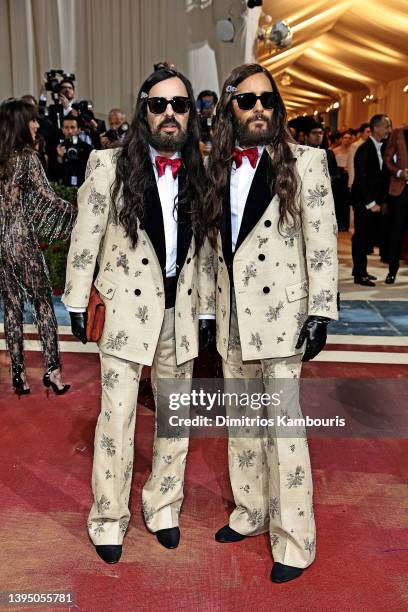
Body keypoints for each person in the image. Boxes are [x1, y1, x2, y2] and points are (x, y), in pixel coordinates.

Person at [62, 68, 216, 564]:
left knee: (174, 419)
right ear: (142, 110)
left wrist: (208, 310)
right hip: (126, 308)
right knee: (117, 417)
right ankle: (108, 516)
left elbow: (208, 252)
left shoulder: (202, 170)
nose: (169, 114)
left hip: (182, 310)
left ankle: (164, 505)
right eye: (158, 104)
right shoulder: (107, 165)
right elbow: (84, 238)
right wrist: (76, 300)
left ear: (191, 114)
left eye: (179, 105)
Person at [206, 64, 338, 583]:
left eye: (267, 99)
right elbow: (211, 250)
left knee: (283, 434)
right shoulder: (216, 166)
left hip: (283, 317)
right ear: (230, 109)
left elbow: (323, 241)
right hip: (233, 315)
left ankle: (294, 539)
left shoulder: (307, 162)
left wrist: (321, 310)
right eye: (246, 100)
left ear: (277, 108)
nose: (258, 107)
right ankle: (250, 511)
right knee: (241, 424)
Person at [0, 98, 76, 395]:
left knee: (12, 306)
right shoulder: (27, 158)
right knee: (43, 303)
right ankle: (53, 371)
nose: (36, 125)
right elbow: (48, 198)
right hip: (21, 239)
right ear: (20, 123)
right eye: (31, 120)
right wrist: (78, 210)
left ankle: (18, 374)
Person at [351, 114, 392, 285]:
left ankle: (360, 269)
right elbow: (361, 178)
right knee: (360, 237)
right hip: (363, 201)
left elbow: (383, 177)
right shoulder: (363, 149)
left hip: (375, 201)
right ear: (375, 128)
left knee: (366, 237)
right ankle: (360, 275)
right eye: (386, 126)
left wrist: (381, 201)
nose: (389, 130)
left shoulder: (383, 148)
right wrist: (370, 203)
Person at [383, 125, 408, 283]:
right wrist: (399, 173)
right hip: (400, 190)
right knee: (397, 231)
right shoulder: (398, 133)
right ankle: (392, 270)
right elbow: (387, 158)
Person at [54, 114, 93, 187]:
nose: (69, 131)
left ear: (78, 129)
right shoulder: (59, 147)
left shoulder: (87, 148)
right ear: (62, 129)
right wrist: (59, 157)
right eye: (66, 127)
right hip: (64, 189)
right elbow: (55, 174)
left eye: (72, 127)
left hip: (82, 187)